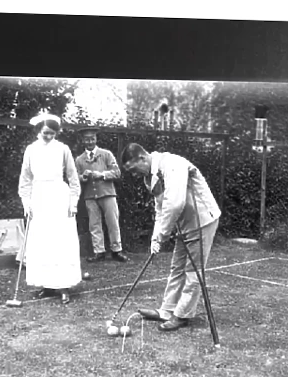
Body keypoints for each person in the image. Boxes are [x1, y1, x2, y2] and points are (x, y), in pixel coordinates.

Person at [120, 143, 221, 331]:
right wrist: (155, 238)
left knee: (193, 271)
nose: (134, 175)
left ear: (142, 158)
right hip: (184, 224)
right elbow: (160, 208)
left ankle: (182, 315)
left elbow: (175, 203)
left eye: (134, 169)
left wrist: (163, 233)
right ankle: (167, 310)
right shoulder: (149, 178)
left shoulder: (172, 164)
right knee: (177, 267)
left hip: (202, 220)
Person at [18, 113, 81, 304]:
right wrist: (27, 204)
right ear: (38, 131)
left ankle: (64, 286)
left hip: (59, 198)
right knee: (42, 242)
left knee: (60, 241)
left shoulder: (63, 149)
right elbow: (25, 180)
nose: (48, 136)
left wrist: (73, 203)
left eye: (52, 134)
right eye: (45, 133)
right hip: (39, 197)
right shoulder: (30, 150)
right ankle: (46, 285)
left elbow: (73, 179)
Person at [75, 126, 129, 263]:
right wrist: (83, 177)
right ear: (83, 141)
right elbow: (74, 178)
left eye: (92, 138)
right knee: (94, 224)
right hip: (90, 196)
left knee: (113, 222)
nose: (90, 142)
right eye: (87, 139)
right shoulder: (79, 160)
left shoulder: (106, 154)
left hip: (107, 194)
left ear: (96, 139)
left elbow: (117, 173)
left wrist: (102, 175)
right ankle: (99, 252)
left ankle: (117, 250)